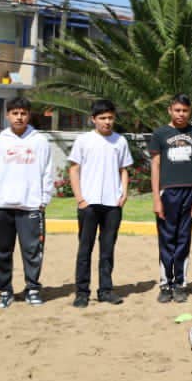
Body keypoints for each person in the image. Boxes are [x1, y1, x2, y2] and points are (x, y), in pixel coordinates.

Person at [0, 96, 55, 309]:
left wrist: (43, 201)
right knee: (1, 252)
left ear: (29, 115)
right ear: (7, 115)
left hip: (30, 207)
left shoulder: (40, 141)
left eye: (23, 113)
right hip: (1, 208)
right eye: (15, 113)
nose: (19, 117)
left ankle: (32, 289)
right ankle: (5, 292)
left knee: (32, 251)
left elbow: (47, 173)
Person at [68, 97, 132, 308]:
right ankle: (82, 292)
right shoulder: (83, 141)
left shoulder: (120, 141)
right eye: (102, 118)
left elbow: (124, 169)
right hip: (89, 204)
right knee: (84, 250)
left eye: (110, 118)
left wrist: (123, 194)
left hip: (112, 205)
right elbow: (74, 169)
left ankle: (105, 290)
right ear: (93, 119)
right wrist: (80, 198)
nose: (107, 122)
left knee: (107, 250)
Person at [148, 94, 192, 304]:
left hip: (189, 192)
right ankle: (165, 284)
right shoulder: (159, 134)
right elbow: (154, 166)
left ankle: (180, 283)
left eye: (185, 111)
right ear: (170, 111)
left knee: (183, 238)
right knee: (167, 239)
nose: (181, 114)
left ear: (189, 111)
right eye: (177, 110)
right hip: (167, 193)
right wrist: (156, 197)